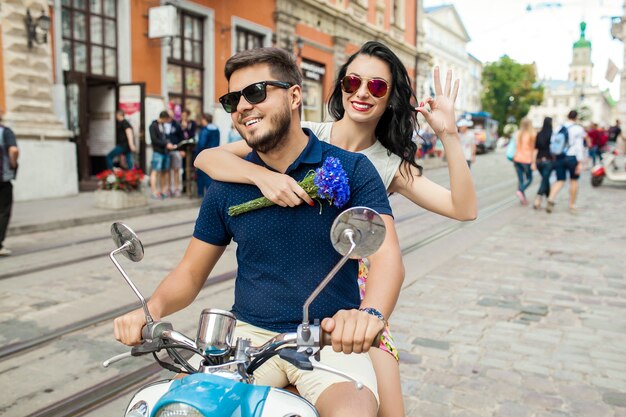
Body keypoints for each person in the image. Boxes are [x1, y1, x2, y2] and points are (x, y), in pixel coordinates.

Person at [114, 47, 405, 417]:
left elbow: (386, 256)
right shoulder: (227, 185)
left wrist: (370, 315)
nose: (242, 107)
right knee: (189, 406)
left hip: (330, 336)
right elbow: (190, 272)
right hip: (248, 340)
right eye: (233, 99)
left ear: (295, 95)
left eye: (256, 92)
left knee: (353, 412)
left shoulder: (351, 169)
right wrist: (149, 311)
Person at [194, 41, 477, 417]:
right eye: (352, 81)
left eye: (376, 87)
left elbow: (464, 208)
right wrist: (262, 177)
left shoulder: (389, 165)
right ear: (340, 85)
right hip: (283, 295)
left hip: (355, 294)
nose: (361, 93)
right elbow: (208, 158)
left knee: (389, 410)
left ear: (390, 98)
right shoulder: (303, 129)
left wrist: (449, 135)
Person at [547, 110, 586, 214]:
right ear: (576, 117)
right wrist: (580, 162)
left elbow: (553, 142)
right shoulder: (578, 129)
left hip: (560, 157)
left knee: (560, 180)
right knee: (573, 181)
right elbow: (579, 146)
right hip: (572, 157)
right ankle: (572, 204)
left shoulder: (559, 127)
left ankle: (551, 198)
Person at [0, 111, 18, 256]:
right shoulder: (5, 132)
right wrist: (13, 164)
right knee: (4, 211)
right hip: (2, 179)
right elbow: (13, 149)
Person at [149, 111, 176, 199]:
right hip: (158, 152)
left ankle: (163, 190)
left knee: (164, 171)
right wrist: (166, 144)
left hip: (165, 152)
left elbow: (165, 138)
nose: (166, 122)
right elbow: (154, 140)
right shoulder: (153, 126)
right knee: (155, 172)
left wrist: (169, 143)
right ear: (163, 118)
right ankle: (154, 191)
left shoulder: (163, 126)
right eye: (166, 120)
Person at [194, 113, 220, 197]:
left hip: (204, 155)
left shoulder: (205, 130)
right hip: (214, 154)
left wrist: (196, 152)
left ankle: (201, 194)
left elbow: (201, 144)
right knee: (211, 175)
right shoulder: (216, 129)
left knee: (202, 175)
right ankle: (211, 194)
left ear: (204, 120)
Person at [512, 118, 536, 205]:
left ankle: (523, 199)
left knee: (521, 180)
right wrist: (533, 162)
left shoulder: (517, 134)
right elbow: (533, 149)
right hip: (526, 159)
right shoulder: (532, 134)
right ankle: (520, 191)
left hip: (517, 159)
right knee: (529, 179)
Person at [532, 117, 554, 210]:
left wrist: (533, 162)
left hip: (539, 161)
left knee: (545, 179)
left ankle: (549, 198)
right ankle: (538, 198)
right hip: (548, 160)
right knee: (545, 179)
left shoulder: (539, 134)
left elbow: (535, 149)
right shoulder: (552, 135)